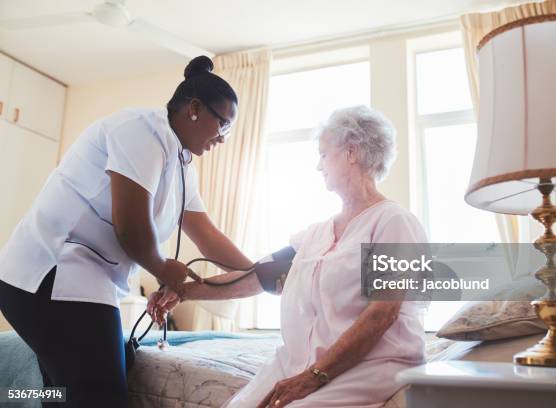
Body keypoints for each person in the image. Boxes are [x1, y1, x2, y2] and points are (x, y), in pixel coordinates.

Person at [0, 55, 253, 407]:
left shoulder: (182, 166)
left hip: (86, 281)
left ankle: (34, 397)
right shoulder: (141, 130)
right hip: (51, 273)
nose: (224, 138)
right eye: (223, 124)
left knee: (86, 382)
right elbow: (131, 229)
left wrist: (255, 271)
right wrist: (165, 270)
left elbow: (207, 235)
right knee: (100, 396)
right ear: (195, 108)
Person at [149, 105, 428, 408]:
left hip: (370, 365)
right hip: (300, 362)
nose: (319, 166)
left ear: (351, 152)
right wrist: (183, 292)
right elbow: (255, 277)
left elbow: (382, 314)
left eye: (324, 155)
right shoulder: (316, 234)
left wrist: (314, 375)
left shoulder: (394, 221)